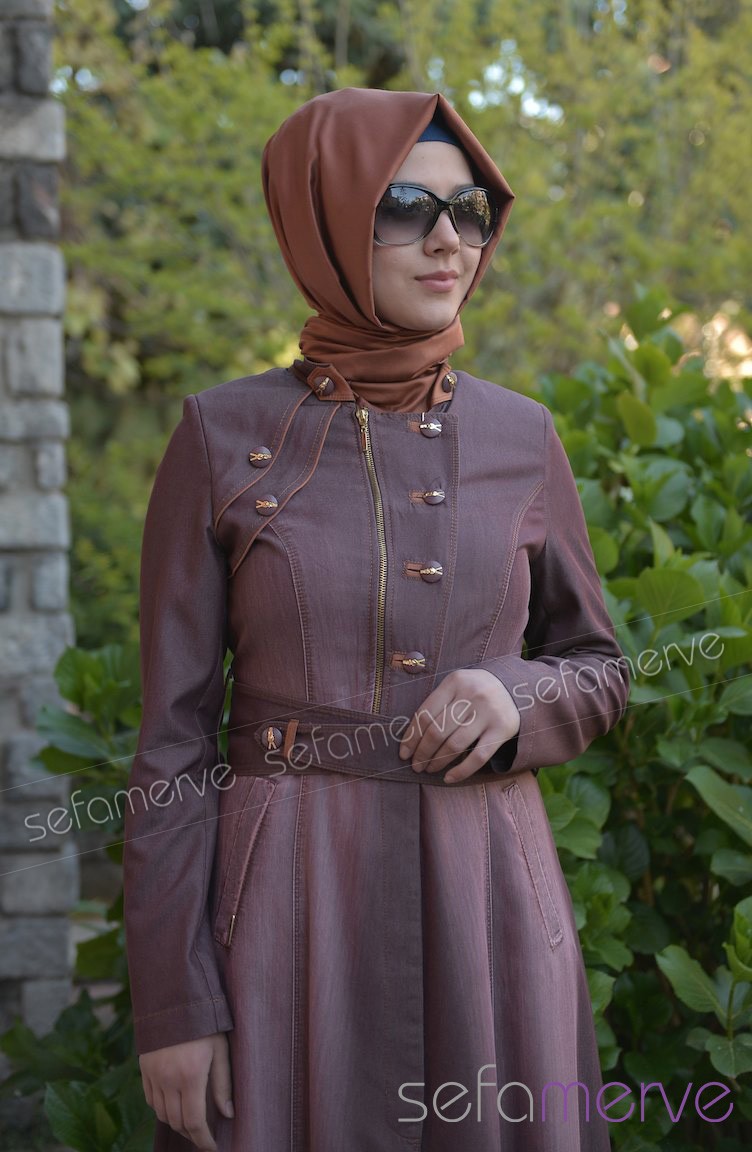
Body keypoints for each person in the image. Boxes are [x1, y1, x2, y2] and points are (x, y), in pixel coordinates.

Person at [123, 87, 629, 1152]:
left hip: (488, 904)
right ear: (326, 219)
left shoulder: (523, 436)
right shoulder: (219, 435)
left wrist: (518, 695)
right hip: (285, 915)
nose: (448, 241)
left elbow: (596, 664)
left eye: (469, 210)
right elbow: (171, 745)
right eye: (404, 206)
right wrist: (175, 1004)